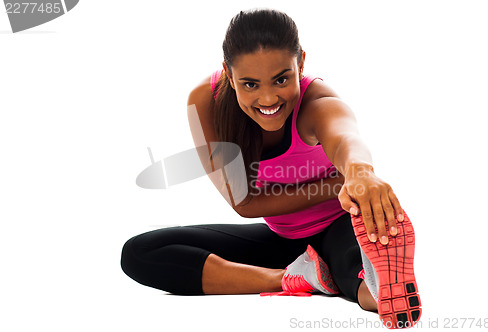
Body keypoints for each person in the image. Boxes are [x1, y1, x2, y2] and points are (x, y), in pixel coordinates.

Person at [121, 8, 421, 329]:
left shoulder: (316, 102)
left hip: (339, 225)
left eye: (281, 79)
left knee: (353, 270)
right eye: (250, 84)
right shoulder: (204, 101)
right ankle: (295, 277)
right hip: (283, 239)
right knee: (140, 252)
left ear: (301, 63)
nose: (267, 98)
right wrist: (336, 185)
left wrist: (360, 171)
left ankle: (381, 290)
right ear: (228, 72)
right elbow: (245, 204)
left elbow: (345, 137)